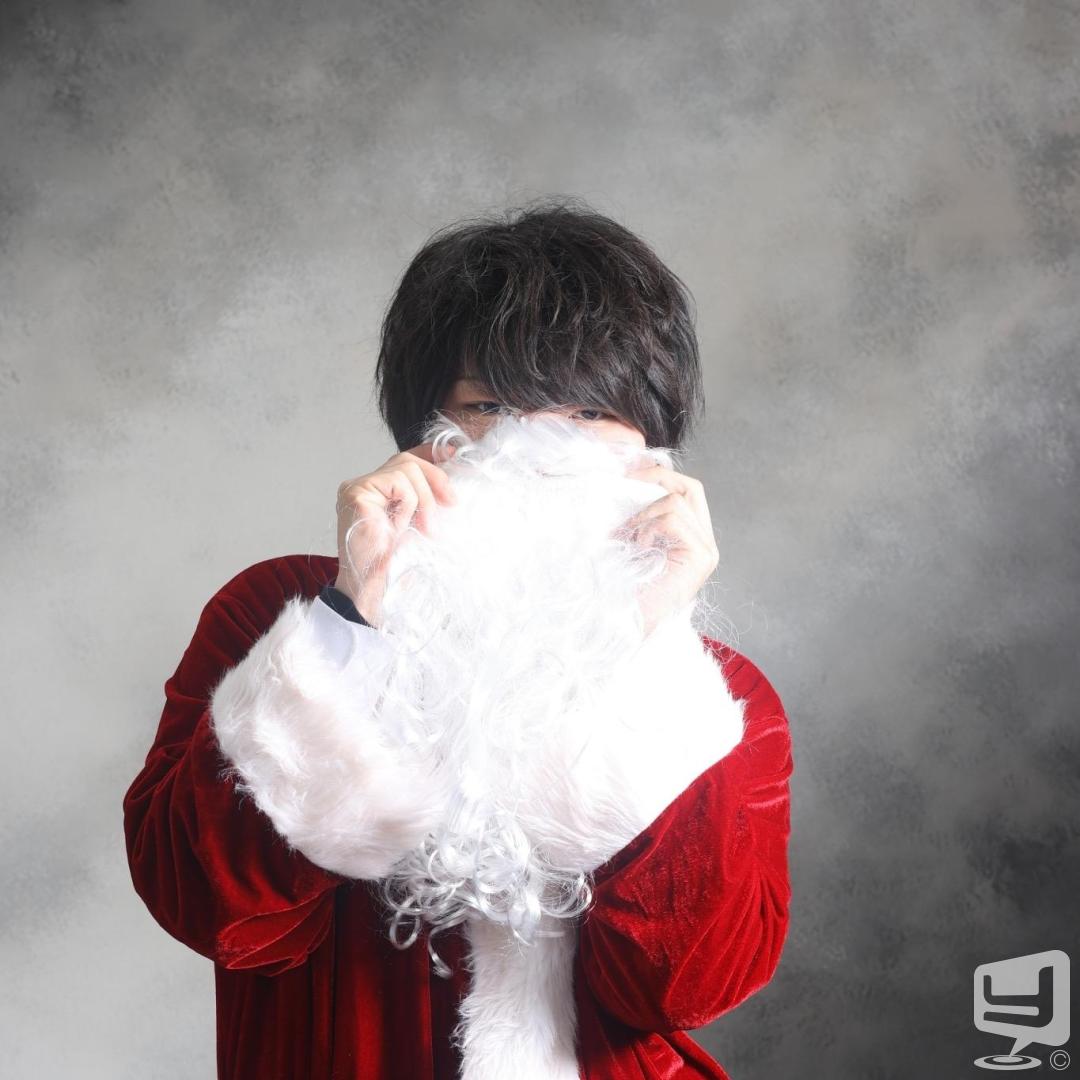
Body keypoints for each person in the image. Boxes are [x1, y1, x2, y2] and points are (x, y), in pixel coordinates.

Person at [122, 200, 793, 1080]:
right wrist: (351, 624)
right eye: (493, 405)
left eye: (590, 411)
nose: (541, 449)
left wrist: (644, 646)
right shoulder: (277, 616)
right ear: (425, 434)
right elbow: (211, 910)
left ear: (651, 443)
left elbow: (688, 985)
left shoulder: (714, 697)